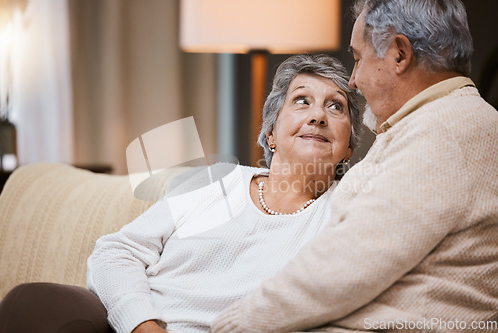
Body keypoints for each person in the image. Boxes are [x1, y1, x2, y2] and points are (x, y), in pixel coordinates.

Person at [0, 54, 361, 333]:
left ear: (348, 148)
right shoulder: (220, 180)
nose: (318, 116)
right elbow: (116, 252)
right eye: (301, 101)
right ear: (271, 132)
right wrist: (142, 324)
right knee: (33, 302)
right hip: (132, 326)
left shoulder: (345, 212)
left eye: (335, 106)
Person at [211, 0, 498, 332]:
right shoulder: (436, 124)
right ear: (270, 132)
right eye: (302, 101)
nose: (354, 80)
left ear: (400, 55)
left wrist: (226, 328)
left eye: (359, 59)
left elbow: (340, 270)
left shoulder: (445, 132)